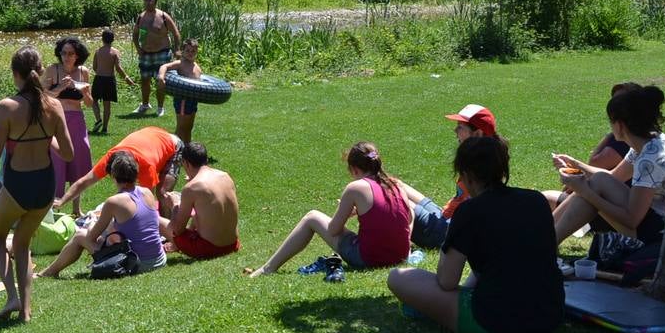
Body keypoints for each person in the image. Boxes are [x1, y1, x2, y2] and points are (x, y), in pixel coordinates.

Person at [387, 136, 564, 333]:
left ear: (467, 175)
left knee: (398, 277)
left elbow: (446, 281)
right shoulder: (536, 201)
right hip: (550, 314)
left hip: (496, 320)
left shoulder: (469, 211)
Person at [0, 47, 74, 321]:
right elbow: (68, 154)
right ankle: (26, 311)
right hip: (45, 186)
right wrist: (47, 138)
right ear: (41, 71)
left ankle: (12, 297)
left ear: (15, 73)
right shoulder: (54, 106)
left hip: (19, 185)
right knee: (22, 245)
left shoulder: (8, 106)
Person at [246, 142, 412, 276]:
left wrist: (346, 213)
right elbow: (408, 218)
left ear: (354, 169)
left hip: (369, 259)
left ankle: (268, 268)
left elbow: (333, 230)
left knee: (312, 217)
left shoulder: (356, 188)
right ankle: (268, 268)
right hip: (401, 257)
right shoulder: (396, 185)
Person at [550, 84, 665, 246]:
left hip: (659, 233)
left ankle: (545, 244)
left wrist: (585, 191)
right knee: (598, 181)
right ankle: (546, 239)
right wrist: (576, 164)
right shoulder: (650, 143)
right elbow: (613, 177)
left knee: (591, 188)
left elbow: (631, 220)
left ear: (620, 125)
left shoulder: (648, 159)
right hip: (655, 222)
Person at [38, 151, 168, 278]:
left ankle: (49, 272)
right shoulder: (147, 192)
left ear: (113, 175)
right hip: (159, 259)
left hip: (136, 264)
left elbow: (90, 237)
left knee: (80, 236)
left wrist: (92, 222)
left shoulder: (114, 202)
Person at [410, 103, 498, 249]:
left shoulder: (481, 166)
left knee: (397, 199)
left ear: (477, 134)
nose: (455, 130)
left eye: (460, 127)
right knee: (395, 185)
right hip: (445, 217)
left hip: (446, 231)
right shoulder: (486, 157)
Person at [56, 125, 185, 219]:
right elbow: (84, 182)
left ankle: (170, 232)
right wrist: (62, 201)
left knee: (162, 194)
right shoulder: (111, 159)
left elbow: (148, 203)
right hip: (152, 137)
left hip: (173, 146)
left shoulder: (147, 165)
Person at [167, 142, 240, 259]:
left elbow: (177, 230)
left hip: (209, 249)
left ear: (186, 163)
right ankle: (177, 245)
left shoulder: (192, 188)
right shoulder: (225, 176)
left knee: (161, 223)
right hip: (232, 244)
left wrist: (175, 205)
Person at [46, 36, 94, 215]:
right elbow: (43, 96)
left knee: (79, 159)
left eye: (70, 53)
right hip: (57, 119)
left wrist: (84, 92)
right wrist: (59, 88)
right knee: (57, 161)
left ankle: (76, 208)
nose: (66, 56)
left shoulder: (83, 72)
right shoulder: (53, 70)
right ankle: (53, 207)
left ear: (78, 55)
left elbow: (89, 103)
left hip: (77, 120)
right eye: (63, 53)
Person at [132, 0, 180, 117]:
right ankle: (145, 104)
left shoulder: (163, 16)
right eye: (146, 0)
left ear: (155, 2)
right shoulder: (141, 17)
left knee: (160, 80)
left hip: (162, 53)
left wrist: (177, 50)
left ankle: (160, 108)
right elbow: (135, 34)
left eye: (150, 1)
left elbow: (176, 33)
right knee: (145, 80)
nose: (147, 3)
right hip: (146, 53)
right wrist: (138, 48)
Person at [157, 38, 202, 144]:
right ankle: (175, 149)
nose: (190, 53)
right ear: (183, 51)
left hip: (193, 99)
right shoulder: (180, 63)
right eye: (188, 50)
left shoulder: (196, 66)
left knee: (189, 127)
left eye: (193, 51)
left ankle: (187, 148)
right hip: (183, 99)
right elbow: (164, 66)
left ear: (196, 52)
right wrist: (161, 77)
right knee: (181, 127)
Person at [90, 29, 134, 134]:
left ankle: (98, 119)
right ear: (113, 39)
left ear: (102, 39)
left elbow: (94, 67)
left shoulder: (98, 51)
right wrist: (127, 78)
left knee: (94, 101)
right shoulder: (115, 52)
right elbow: (118, 68)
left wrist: (100, 71)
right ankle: (105, 128)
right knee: (107, 104)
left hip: (99, 78)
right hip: (109, 80)